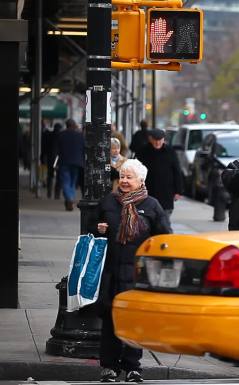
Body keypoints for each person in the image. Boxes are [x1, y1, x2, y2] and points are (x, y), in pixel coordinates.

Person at [96, 159, 171, 383]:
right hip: (111, 270)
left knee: (134, 321)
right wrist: (98, 229)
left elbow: (165, 237)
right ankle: (108, 367)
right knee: (110, 320)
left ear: (141, 181)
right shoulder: (108, 202)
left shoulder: (152, 205)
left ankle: (132, 367)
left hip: (138, 273)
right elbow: (91, 228)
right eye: (122, 176)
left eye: (129, 177)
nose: (125, 181)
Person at [135, 128, 183, 218]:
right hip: (148, 191)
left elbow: (177, 171)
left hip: (166, 192)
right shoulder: (142, 151)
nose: (157, 143)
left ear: (164, 140)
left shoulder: (170, 151)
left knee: (164, 219)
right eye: (155, 140)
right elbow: (135, 170)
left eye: (160, 140)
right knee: (148, 218)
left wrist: (178, 191)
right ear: (150, 139)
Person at [56, 119, 85, 211]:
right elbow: (84, 149)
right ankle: (70, 197)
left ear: (67, 125)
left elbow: (56, 149)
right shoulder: (80, 136)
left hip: (64, 161)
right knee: (73, 181)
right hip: (77, 162)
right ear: (74, 125)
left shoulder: (61, 135)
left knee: (65, 181)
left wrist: (55, 162)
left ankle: (69, 199)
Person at [41, 122, 61, 199]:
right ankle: (57, 194)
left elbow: (44, 148)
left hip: (50, 158)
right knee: (59, 177)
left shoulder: (48, 135)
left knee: (50, 176)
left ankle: (49, 192)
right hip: (58, 159)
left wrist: (42, 158)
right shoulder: (61, 136)